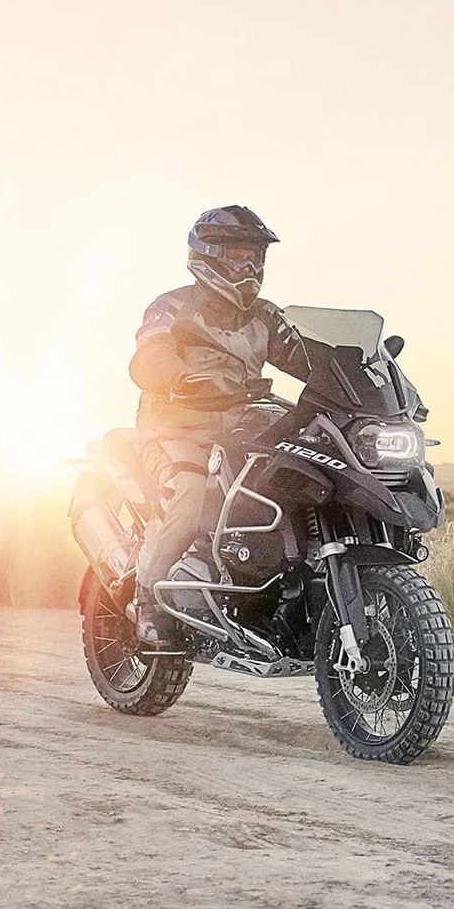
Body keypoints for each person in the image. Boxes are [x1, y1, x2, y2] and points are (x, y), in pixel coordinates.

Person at [126, 205, 309, 645]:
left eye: (256, 258)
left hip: (242, 432)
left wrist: (358, 373)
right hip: (176, 429)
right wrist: (178, 378)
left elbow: (310, 359)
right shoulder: (171, 307)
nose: (249, 267)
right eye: (237, 256)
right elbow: (149, 355)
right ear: (207, 255)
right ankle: (149, 600)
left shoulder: (265, 316)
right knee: (189, 497)